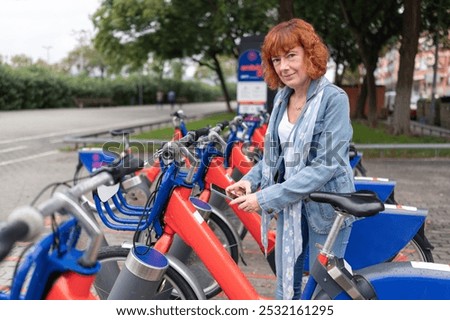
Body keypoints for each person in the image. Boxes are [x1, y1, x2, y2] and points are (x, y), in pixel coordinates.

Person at [226, 18, 355, 300]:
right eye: (276, 59)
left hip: (327, 208)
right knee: (287, 286)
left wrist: (265, 197)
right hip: (291, 206)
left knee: (323, 290)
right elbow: (275, 156)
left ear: (310, 54)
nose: (283, 66)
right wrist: (250, 182)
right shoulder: (283, 98)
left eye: (291, 56)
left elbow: (325, 165)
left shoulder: (334, 99)